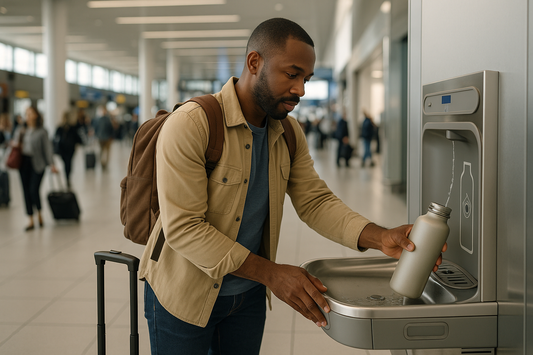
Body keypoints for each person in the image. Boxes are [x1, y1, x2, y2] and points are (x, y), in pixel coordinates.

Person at [138, 18, 445, 355]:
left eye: (306, 79)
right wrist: (271, 273)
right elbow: (185, 228)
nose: (301, 89)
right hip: (181, 296)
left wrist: (380, 236)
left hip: (247, 297)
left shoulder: (288, 133)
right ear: (255, 63)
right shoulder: (193, 124)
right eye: (292, 74)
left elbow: (314, 201)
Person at [11, 106, 57, 230]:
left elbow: (47, 149)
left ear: (36, 115)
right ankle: (30, 218)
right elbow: (15, 145)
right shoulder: (21, 130)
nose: (28, 116)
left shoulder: (42, 131)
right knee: (25, 190)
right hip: (24, 162)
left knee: (33, 189)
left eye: (30, 113)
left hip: (38, 163)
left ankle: (39, 213)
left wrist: (52, 164)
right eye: (26, 114)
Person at [54, 110, 83, 188]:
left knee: (67, 163)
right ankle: (67, 177)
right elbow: (78, 139)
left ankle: (67, 177)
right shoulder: (70, 128)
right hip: (67, 149)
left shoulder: (64, 128)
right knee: (68, 164)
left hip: (65, 149)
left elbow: (55, 139)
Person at [93, 105, 114, 169]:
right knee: (102, 151)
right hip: (101, 138)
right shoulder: (100, 119)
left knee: (106, 152)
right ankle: (102, 163)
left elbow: (111, 128)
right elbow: (96, 128)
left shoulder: (106, 119)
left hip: (107, 138)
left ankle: (105, 163)